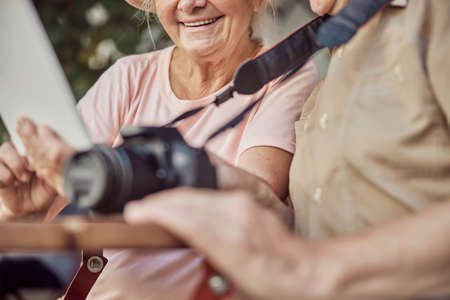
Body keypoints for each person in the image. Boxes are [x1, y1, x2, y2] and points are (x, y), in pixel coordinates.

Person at [122, 0, 450, 298]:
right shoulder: (334, 64)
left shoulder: (432, 14)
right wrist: (259, 199)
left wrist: (308, 271)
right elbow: (327, 226)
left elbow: (307, 267)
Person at [0, 0, 319, 299]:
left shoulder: (285, 78)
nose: (190, 4)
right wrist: (26, 210)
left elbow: (251, 205)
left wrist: (103, 181)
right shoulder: (129, 76)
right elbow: (49, 193)